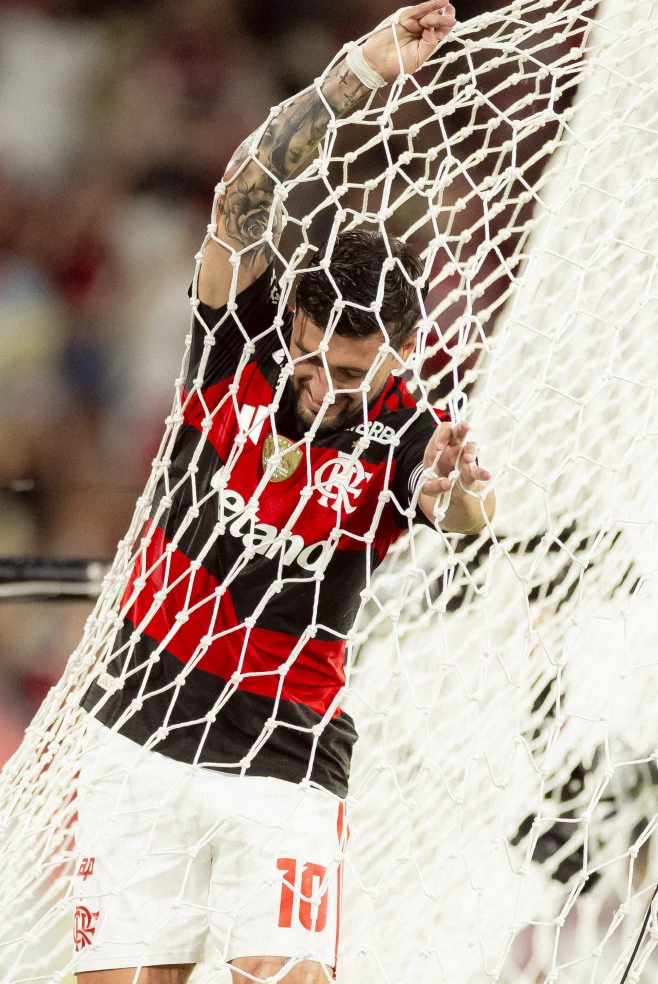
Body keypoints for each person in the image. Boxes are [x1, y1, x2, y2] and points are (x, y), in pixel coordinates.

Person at [72, 4, 495, 982]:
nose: (327, 387)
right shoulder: (235, 346)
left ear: (399, 354)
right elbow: (241, 198)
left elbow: (463, 518)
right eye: (313, 359)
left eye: (354, 372)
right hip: (141, 718)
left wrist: (463, 496)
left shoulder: (409, 432)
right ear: (293, 321)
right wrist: (359, 73)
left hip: (284, 754)